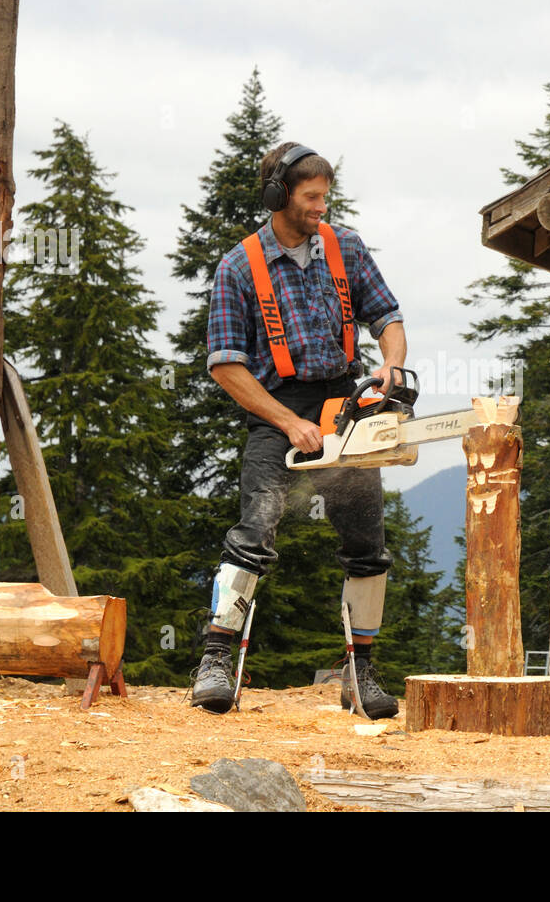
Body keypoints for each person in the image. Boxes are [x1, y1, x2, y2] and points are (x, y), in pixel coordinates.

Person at [192, 141, 406, 717]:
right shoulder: (240, 265)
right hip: (276, 406)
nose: (321, 207)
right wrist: (288, 422)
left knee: (366, 542)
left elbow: (386, 315)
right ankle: (217, 658)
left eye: (325, 196)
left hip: (345, 404)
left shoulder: (346, 248)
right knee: (254, 531)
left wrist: (390, 364)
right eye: (311, 197)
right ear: (277, 194)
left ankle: (360, 671)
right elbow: (226, 364)